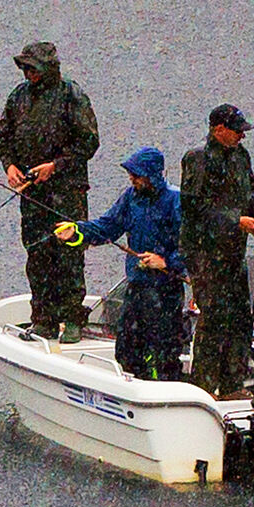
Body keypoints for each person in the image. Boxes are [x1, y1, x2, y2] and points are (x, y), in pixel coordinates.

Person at [52, 147, 188, 380]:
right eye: (131, 174)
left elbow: (192, 246)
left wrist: (166, 262)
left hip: (166, 291)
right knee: (126, 350)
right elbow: (107, 227)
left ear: (152, 175)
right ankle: (136, 383)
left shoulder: (175, 201)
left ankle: (161, 387)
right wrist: (77, 231)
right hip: (137, 286)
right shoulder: (131, 198)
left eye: (137, 175)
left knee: (162, 353)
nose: (132, 179)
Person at [0, 41, 99, 344]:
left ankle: (72, 319)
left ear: (48, 68)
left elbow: (89, 143)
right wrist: (10, 166)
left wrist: (55, 166)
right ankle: (43, 320)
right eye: (25, 68)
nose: (28, 74)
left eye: (33, 68)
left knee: (68, 256)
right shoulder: (18, 97)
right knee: (37, 255)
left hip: (67, 192)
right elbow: (4, 141)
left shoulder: (72, 95)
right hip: (33, 195)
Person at [180, 103, 254, 396]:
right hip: (205, 254)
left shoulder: (240, 156)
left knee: (240, 320)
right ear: (218, 129)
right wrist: (236, 221)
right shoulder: (197, 159)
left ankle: (233, 385)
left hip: (234, 253)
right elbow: (194, 208)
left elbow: (251, 191)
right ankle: (204, 387)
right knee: (212, 320)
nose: (242, 136)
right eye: (237, 131)